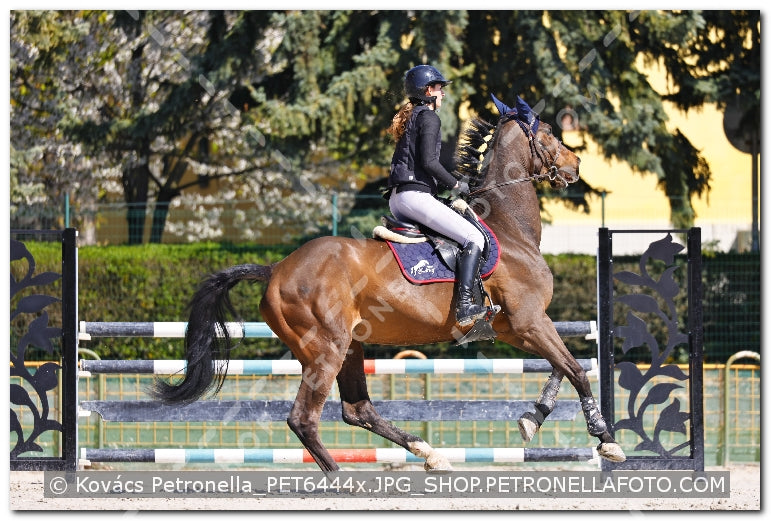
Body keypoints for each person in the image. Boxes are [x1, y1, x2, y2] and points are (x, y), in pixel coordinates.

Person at [386, 64, 489, 327]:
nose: (442, 94)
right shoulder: (429, 117)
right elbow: (430, 162)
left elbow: (420, 166)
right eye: (440, 89)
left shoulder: (412, 116)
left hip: (399, 198)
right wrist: (456, 184)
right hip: (414, 198)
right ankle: (466, 305)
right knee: (474, 237)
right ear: (428, 91)